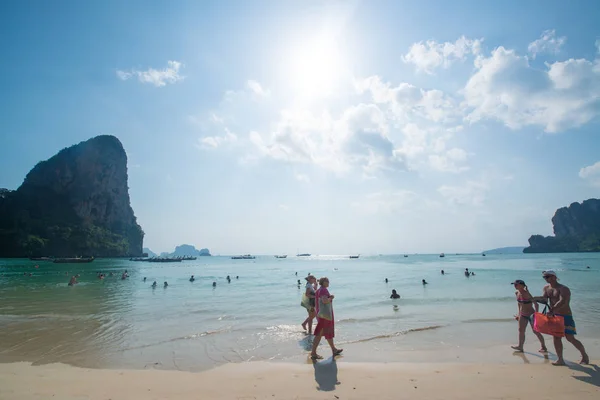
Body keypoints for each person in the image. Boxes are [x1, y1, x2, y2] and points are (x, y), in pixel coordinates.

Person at [534, 270, 589, 365]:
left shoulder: (563, 288)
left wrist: (553, 309)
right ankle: (560, 359)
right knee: (556, 337)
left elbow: (563, 301)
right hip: (555, 316)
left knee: (570, 338)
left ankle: (584, 355)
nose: (546, 279)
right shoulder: (546, 288)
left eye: (548, 276)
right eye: (545, 277)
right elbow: (544, 299)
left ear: (554, 277)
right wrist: (532, 298)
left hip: (565, 315)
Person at [310, 277, 343, 360]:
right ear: (323, 282)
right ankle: (313, 353)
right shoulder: (323, 290)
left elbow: (320, 301)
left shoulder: (319, 290)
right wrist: (331, 298)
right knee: (319, 335)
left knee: (327, 333)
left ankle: (334, 349)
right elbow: (325, 301)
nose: (328, 282)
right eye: (327, 281)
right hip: (324, 316)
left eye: (328, 281)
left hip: (321, 315)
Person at [510, 279, 547, 353]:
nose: (515, 286)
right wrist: (519, 314)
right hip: (522, 315)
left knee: (535, 331)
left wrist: (536, 315)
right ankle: (520, 347)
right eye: (514, 284)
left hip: (531, 315)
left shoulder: (527, 293)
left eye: (516, 284)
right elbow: (519, 304)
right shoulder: (517, 293)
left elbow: (536, 304)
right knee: (521, 330)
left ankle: (544, 347)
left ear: (522, 285)